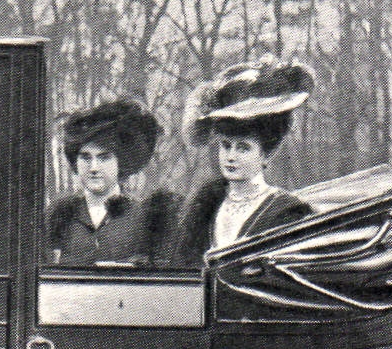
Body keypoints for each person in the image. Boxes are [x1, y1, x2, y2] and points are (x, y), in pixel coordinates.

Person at [174, 57, 315, 265]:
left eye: (243, 148)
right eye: (226, 145)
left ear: (265, 154)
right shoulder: (204, 208)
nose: (231, 156)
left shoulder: (286, 211)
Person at [45, 99, 176, 267]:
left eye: (104, 158)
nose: (93, 168)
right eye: (85, 157)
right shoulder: (59, 215)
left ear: (120, 162)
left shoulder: (142, 217)